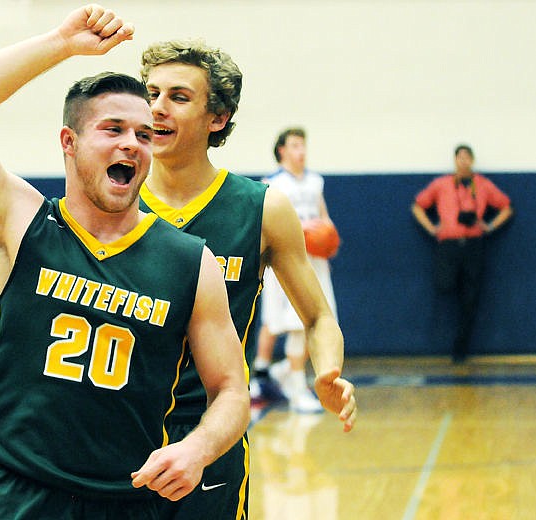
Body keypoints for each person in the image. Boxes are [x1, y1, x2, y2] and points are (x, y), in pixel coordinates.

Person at [0, 6, 250, 519]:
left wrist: (198, 449)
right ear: (69, 143)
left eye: (143, 135)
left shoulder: (190, 261)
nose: (131, 144)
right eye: (113, 129)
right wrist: (59, 44)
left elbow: (231, 390)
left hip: (127, 501)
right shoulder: (18, 224)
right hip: (16, 495)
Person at [139, 39, 357, 519]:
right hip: (115, 437)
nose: (156, 107)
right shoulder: (113, 197)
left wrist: (327, 371)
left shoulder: (261, 207)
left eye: (178, 96)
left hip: (210, 438)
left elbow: (319, 316)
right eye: (150, 92)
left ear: (218, 118)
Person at [252, 127, 339, 414]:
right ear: (282, 151)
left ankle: (287, 375)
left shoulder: (315, 181)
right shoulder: (272, 183)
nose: (301, 150)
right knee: (284, 322)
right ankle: (290, 382)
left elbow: (323, 217)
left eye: (304, 145)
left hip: (314, 259)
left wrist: (329, 238)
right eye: (295, 145)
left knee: (310, 320)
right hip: (285, 258)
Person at [412, 144, 513, 363]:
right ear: (455, 160)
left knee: (470, 299)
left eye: (467, 158)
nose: (463, 161)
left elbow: (506, 206)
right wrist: (432, 227)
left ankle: (461, 350)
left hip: (473, 244)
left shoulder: (483, 185)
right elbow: (418, 205)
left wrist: (490, 225)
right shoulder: (441, 184)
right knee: (445, 285)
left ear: (472, 161)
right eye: (460, 157)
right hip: (448, 245)